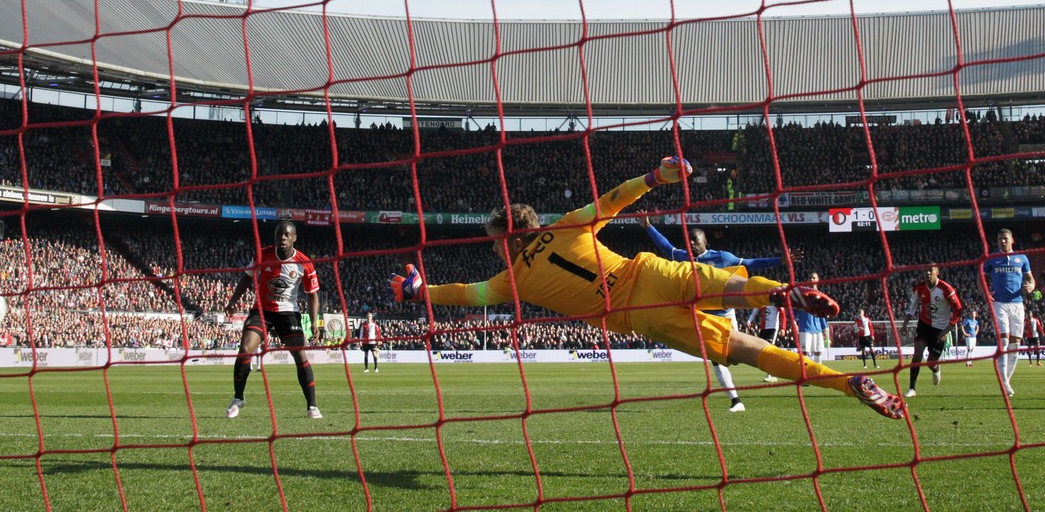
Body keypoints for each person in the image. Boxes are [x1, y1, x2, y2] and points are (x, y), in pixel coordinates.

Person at [388, 157, 905, 419]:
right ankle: (781, 293)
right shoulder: (566, 225)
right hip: (650, 272)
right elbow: (612, 199)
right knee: (728, 284)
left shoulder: (508, 279)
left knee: (751, 352)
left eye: (494, 240)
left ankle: (843, 383)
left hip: (643, 316)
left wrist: (419, 293)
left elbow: (462, 293)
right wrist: (657, 177)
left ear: (504, 235)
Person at [636, 220, 802, 412]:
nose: (690, 243)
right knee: (717, 359)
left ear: (705, 242)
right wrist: (648, 227)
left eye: (695, 240)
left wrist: (779, 260)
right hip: (706, 318)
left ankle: (778, 365)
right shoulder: (683, 258)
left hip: (726, 314)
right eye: (688, 240)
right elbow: (666, 247)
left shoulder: (722, 257)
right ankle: (736, 401)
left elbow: (750, 263)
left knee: (742, 352)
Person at [224, 221, 323, 419]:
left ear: (294, 238)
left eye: (287, 235)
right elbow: (246, 278)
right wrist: (233, 300)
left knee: (300, 355)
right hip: (262, 311)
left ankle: (312, 407)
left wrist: (314, 322)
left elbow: (312, 294)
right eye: (279, 234)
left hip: (288, 313)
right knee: (244, 350)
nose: (282, 238)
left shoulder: (304, 263)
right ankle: (238, 398)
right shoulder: (262, 255)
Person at [981, 228, 1035, 396]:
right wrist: (985, 292)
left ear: (1012, 240)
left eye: (1005, 239)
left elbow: (1030, 279)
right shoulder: (991, 259)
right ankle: (1005, 383)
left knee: (1015, 344)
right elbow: (980, 277)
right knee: (1003, 342)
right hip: (1000, 304)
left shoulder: (1022, 258)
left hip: (1018, 304)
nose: (1002, 241)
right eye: (999, 239)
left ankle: (1005, 381)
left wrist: (1031, 286)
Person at [902, 265, 963, 398]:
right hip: (924, 325)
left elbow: (958, 310)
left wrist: (948, 329)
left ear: (937, 272)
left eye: (930, 270)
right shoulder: (919, 288)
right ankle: (912, 388)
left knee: (931, 362)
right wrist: (905, 324)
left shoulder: (946, 289)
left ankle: (936, 369)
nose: (927, 273)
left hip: (940, 329)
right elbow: (912, 307)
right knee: (917, 355)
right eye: (925, 271)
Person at [746, 303, 786, 382]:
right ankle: (771, 372)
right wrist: (749, 321)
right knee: (763, 351)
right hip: (763, 329)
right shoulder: (761, 301)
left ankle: (772, 374)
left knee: (770, 350)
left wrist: (783, 328)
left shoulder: (776, 301)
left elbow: (783, 314)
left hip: (773, 328)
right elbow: (754, 312)